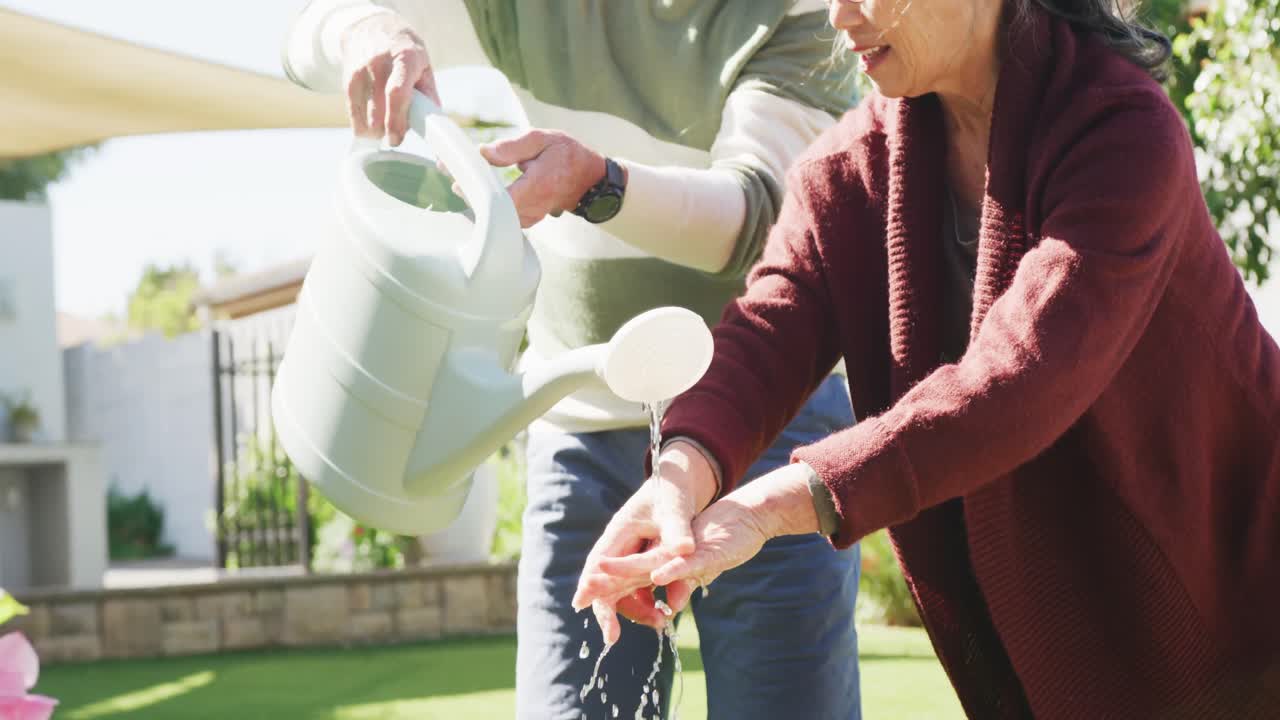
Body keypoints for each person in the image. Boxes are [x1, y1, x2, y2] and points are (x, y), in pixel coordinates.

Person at [575, 0, 1280, 717]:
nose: (838, 13)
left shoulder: (1123, 135)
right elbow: (765, 333)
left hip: (1248, 622)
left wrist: (768, 507)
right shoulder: (848, 175)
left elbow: (1016, 382)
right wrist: (678, 478)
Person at [282, 2, 864, 718]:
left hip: (771, 425)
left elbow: (758, 213)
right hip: (582, 430)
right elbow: (308, 35)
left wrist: (598, 183)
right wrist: (368, 27)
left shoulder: (805, 12)